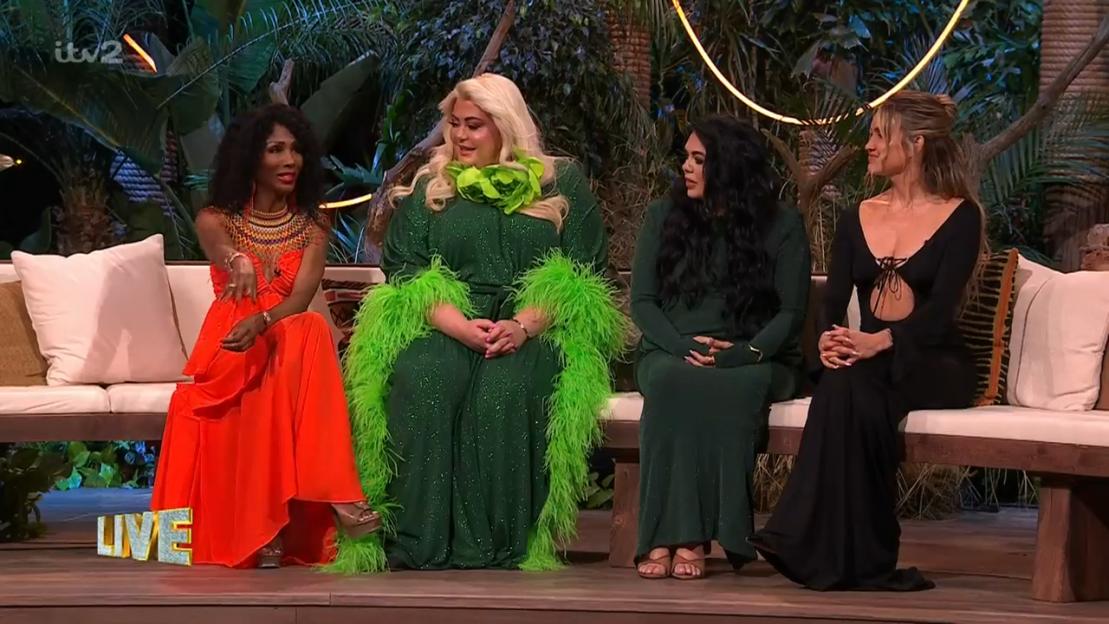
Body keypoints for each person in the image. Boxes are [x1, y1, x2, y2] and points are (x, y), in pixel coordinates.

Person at [332, 73, 626, 573]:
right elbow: (406, 269)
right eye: (454, 125)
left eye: (474, 126)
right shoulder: (432, 185)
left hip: (536, 326)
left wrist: (525, 325)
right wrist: (460, 327)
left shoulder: (561, 182)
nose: (460, 137)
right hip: (446, 322)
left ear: (505, 127)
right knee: (423, 378)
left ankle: (497, 546)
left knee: (502, 392)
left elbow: (585, 272)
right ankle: (416, 542)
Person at [750, 90, 984, 591]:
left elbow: (941, 312)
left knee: (854, 384)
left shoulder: (961, 216)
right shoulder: (859, 215)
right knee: (842, 382)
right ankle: (847, 554)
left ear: (915, 144)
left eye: (880, 134)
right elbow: (833, 300)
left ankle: (819, 543)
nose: (869, 146)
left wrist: (883, 342)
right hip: (867, 360)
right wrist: (835, 340)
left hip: (934, 359)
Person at [151, 104, 380, 569]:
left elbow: (300, 297)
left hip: (282, 334)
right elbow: (221, 249)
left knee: (308, 326)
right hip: (232, 342)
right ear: (252, 158)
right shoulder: (216, 218)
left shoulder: (314, 224)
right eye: (276, 150)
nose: (289, 160)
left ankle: (277, 523)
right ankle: (338, 496)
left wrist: (265, 320)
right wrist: (238, 260)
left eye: (295, 150)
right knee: (305, 336)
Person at [631, 116, 810, 580]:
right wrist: (682, 345)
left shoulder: (784, 225)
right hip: (670, 349)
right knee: (673, 382)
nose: (685, 167)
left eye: (698, 159)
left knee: (730, 389)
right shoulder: (661, 216)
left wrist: (743, 353)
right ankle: (663, 536)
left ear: (729, 167)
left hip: (756, 355)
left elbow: (790, 315)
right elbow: (643, 303)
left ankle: (693, 538)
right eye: (685, 158)